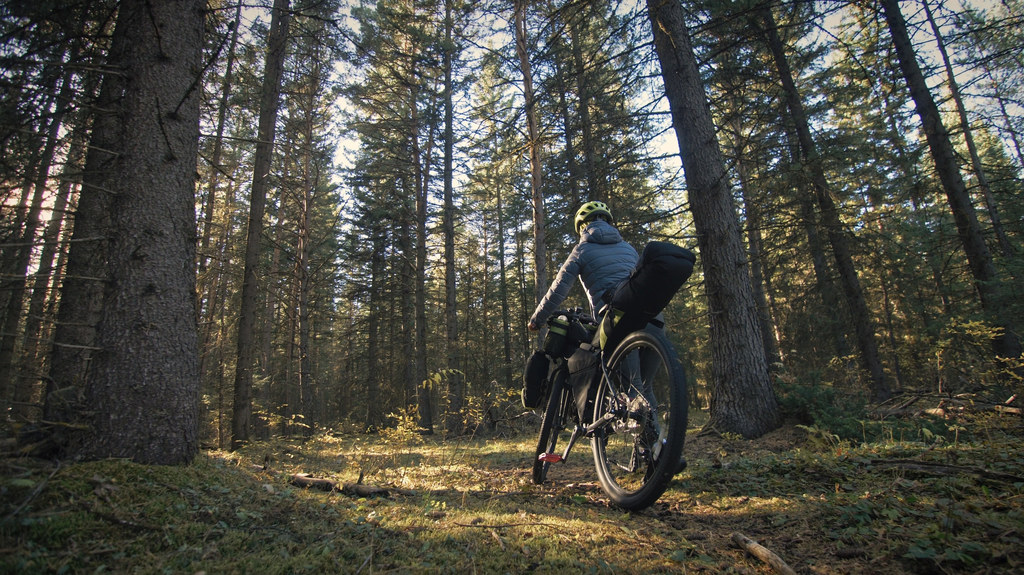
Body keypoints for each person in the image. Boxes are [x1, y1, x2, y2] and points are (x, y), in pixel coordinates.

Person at [528, 201, 637, 331]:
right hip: (646, 313)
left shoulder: (581, 250)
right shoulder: (629, 248)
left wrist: (537, 319)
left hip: (612, 317)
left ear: (582, 227)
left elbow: (559, 287)